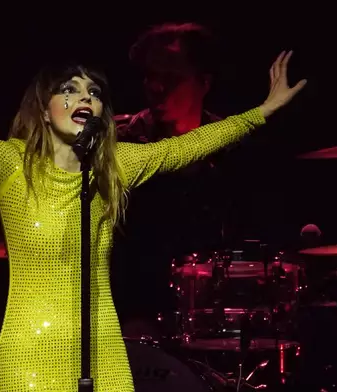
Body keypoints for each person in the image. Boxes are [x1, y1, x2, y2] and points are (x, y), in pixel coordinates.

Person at [0, 32, 305, 392]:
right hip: (28, 351)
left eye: (94, 92)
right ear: (43, 109)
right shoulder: (7, 164)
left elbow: (190, 145)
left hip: (100, 348)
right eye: (70, 89)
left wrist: (261, 111)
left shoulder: (115, 167)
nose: (85, 98)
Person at [111, 23, 235, 332]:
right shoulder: (116, 147)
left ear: (204, 83)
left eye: (169, 78)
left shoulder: (234, 152)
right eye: (150, 76)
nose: (155, 87)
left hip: (214, 324)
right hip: (129, 323)